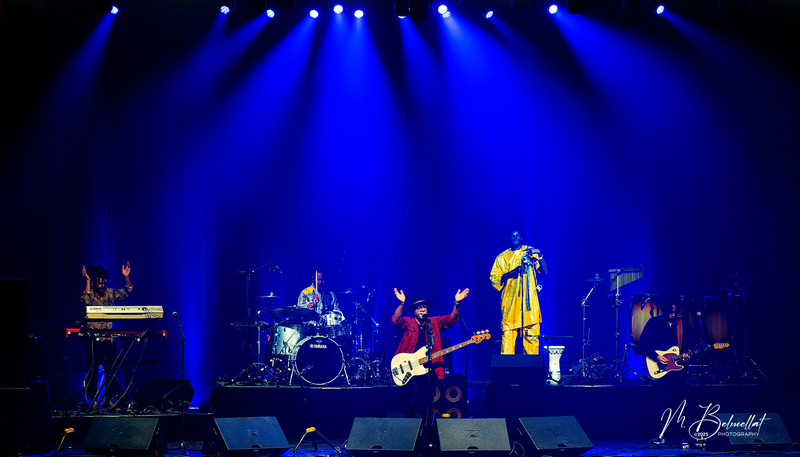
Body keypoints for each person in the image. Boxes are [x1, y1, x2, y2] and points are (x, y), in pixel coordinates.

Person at [391, 288, 468, 419]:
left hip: (429, 370)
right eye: (419, 307)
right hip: (411, 369)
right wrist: (402, 303)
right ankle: (410, 429)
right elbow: (396, 320)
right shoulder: (408, 322)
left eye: (424, 307)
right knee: (411, 404)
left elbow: (452, 318)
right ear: (413, 311)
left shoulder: (433, 323)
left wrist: (457, 302)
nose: (422, 309)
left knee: (427, 404)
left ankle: (426, 430)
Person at [638, 301, 695, 445]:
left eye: (675, 312)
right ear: (663, 310)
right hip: (661, 369)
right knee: (661, 400)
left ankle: (686, 434)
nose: (672, 315)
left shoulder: (684, 323)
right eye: (670, 312)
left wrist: (687, 353)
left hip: (679, 368)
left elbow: (691, 343)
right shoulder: (654, 322)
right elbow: (643, 343)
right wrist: (656, 356)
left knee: (683, 401)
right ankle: (659, 433)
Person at [79, 262, 133, 411]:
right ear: (94, 283)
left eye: (104, 282)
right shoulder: (90, 294)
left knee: (112, 371)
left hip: (108, 340)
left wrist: (126, 277)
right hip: (93, 341)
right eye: (99, 283)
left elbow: (128, 292)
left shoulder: (109, 293)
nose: (102, 285)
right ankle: (92, 401)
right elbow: (85, 301)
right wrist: (87, 281)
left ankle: (108, 400)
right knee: (92, 371)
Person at [490, 230, 547, 355]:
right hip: (510, 303)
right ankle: (506, 366)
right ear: (509, 238)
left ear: (521, 238)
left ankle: (531, 366)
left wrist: (540, 254)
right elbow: (495, 279)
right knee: (508, 336)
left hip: (529, 304)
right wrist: (512, 272)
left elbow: (544, 270)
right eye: (512, 235)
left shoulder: (529, 252)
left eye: (517, 235)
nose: (515, 237)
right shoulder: (502, 257)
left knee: (531, 336)